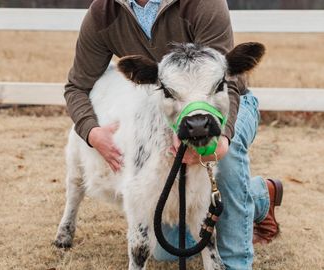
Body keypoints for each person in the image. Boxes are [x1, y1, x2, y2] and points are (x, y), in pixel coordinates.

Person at [64, 0, 284, 269]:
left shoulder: (204, 3)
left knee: (223, 160)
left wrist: (223, 140)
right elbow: (77, 86)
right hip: (166, 112)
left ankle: (235, 263)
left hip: (220, 105)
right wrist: (92, 132)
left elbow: (229, 80)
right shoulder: (103, 12)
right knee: (168, 250)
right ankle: (260, 196)